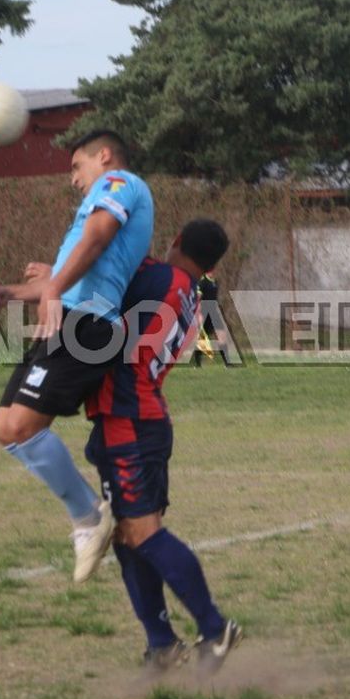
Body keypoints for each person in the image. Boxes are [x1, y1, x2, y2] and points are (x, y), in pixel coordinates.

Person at [0, 130, 153, 583]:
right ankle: (89, 515)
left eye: (77, 167)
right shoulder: (91, 208)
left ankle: (89, 517)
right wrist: (11, 292)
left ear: (105, 156)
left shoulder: (120, 184)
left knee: (20, 427)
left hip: (88, 322)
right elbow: (72, 272)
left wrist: (53, 285)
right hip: (69, 319)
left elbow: (95, 240)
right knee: (5, 428)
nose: (74, 179)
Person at [84, 219, 242, 673]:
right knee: (129, 537)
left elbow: (107, 261)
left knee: (142, 532)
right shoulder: (192, 291)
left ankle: (214, 627)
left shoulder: (162, 278)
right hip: (141, 419)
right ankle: (161, 643)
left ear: (175, 242)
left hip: (129, 422)